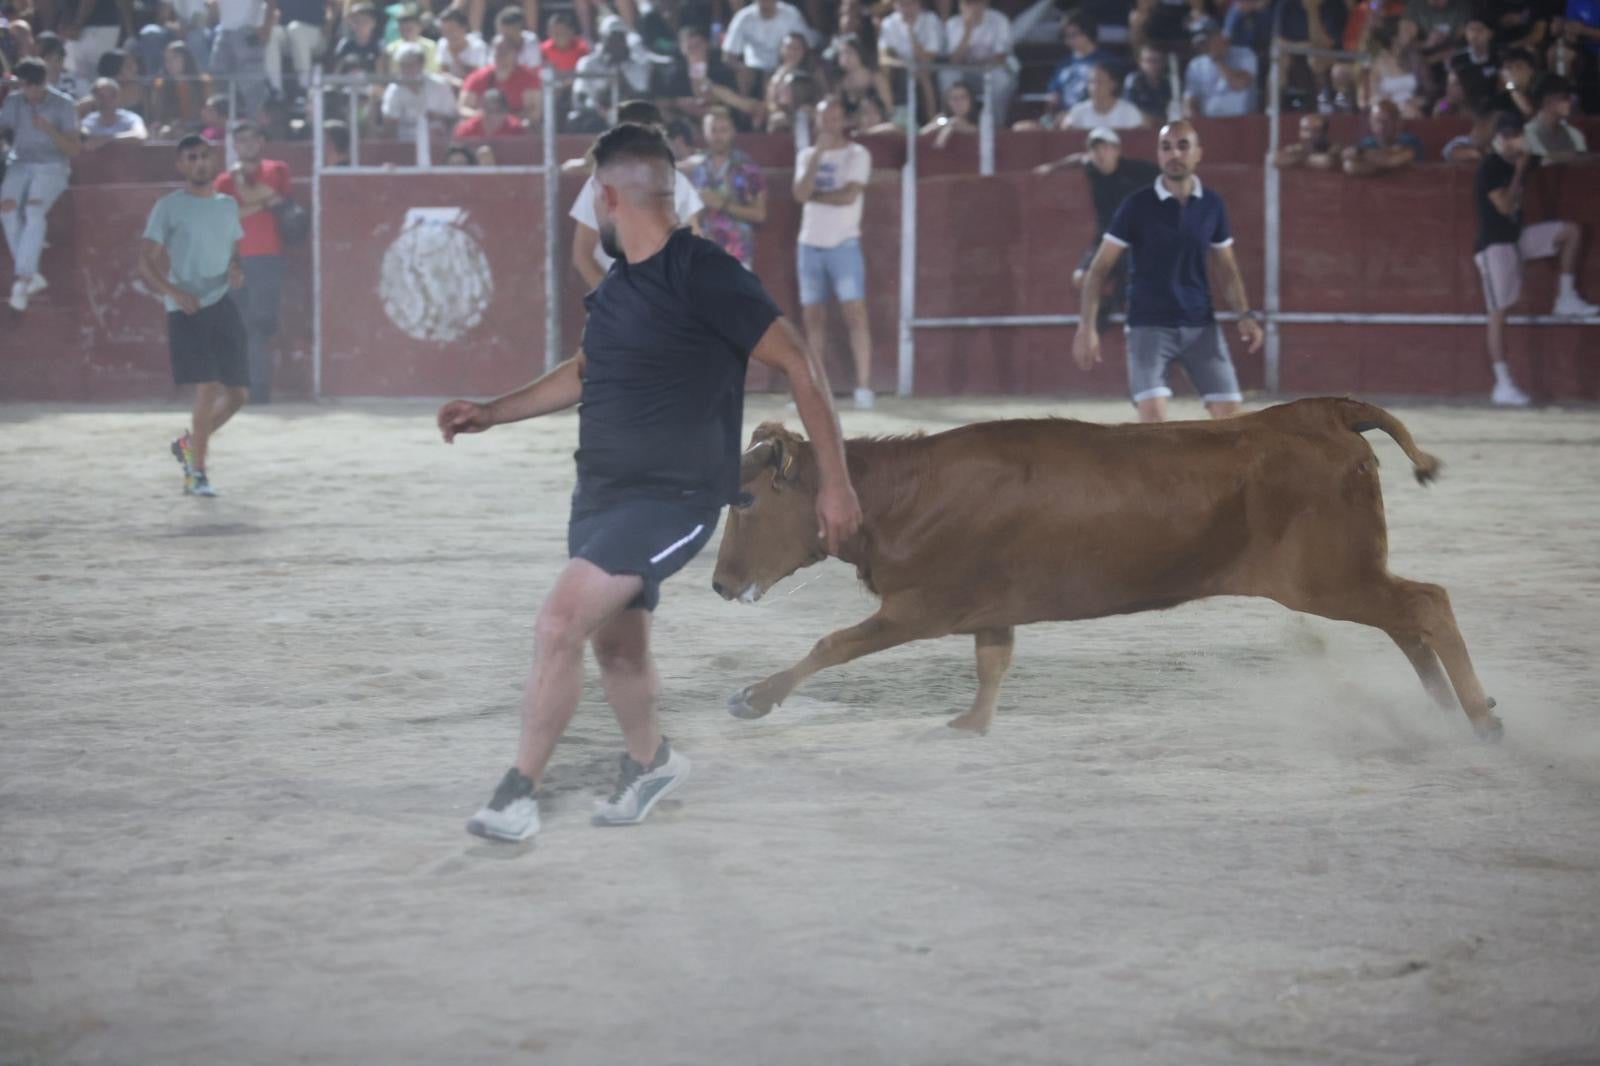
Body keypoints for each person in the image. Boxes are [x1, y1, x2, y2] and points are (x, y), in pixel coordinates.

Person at [438, 122, 862, 843]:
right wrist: (492, 412)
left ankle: (518, 792)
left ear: (606, 196)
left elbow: (800, 363)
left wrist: (837, 485)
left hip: (673, 498)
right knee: (616, 648)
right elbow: (583, 372)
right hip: (599, 492)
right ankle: (650, 762)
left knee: (558, 623)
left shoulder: (706, 273)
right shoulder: (618, 288)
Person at [1073, 120, 1264, 423]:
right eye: (1166, 147)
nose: (1174, 153)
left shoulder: (1212, 204)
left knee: (1232, 422)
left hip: (1200, 325)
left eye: (1182, 146)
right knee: (1153, 429)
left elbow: (1226, 267)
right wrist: (1086, 326)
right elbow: (1098, 270)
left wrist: (1244, 313)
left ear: (1198, 153)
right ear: (1159, 155)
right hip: (1148, 326)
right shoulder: (1136, 205)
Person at [139, 134, 248, 498]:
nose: (200, 162)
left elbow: (233, 251)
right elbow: (146, 262)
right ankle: (196, 473)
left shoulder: (228, 205)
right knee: (208, 387)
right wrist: (174, 292)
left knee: (238, 395)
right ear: (181, 165)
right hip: (188, 309)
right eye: (192, 157)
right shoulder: (169, 207)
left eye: (205, 155)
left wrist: (235, 269)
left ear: (213, 160)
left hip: (221, 304)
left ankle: (188, 445)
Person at [1471, 112, 1599, 406]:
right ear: (1501, 139)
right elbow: (1504, 206)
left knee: (1570, 232)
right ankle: (1502, 383)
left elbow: (1558, 157)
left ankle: (1565, 297)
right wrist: (1520, 170)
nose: (1517, 141)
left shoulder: (1524, 158)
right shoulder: (1492, 165)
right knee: (1499, 313)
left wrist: (1585, 156)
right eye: (1512, 136)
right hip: (1495, 246)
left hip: (1515, 240)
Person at [569, 99, 703, 291]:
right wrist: (614, 300)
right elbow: (582, 255)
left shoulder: (678, 183)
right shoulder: (599, 184)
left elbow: (694, 247)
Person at [794, 95, 875, 408]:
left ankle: (864, 386)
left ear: (843, 120)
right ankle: (815, 389)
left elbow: (848, 196)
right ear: (818, 121)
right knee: (812, 316)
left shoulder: (858, 153)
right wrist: (817, 157)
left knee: (855, 312)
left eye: (834, 117)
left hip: (844, 242)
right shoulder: (807, 156)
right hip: (809, 243)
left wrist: (815, 195)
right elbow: (800, 194)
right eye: (824, 118)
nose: (830, 123)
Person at [1035, 125, 1159, 325]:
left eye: (1105, 148)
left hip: (1133, 243)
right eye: (1095, 149)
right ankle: (1106, 305)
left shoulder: (1137, 170)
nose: (1100, 154)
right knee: (1080, 278)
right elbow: (1077, 158)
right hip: (1104, 240)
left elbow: (1165, 178)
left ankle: (1121, 298)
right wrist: (1052, 167)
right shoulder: (1091, 167)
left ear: (1116, 150)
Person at [214, 120, 288, 404]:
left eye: (252, 139)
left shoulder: (276, 170)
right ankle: (250, 387)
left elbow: (274, 198)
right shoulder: (223, 180)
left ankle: (254, 387)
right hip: (235, 258)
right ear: (234, 145)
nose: (247, 145)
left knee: (259, 323)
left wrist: (244, 190)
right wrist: (259, 205)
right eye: (241, 140)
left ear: (261, 142)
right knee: (242, 325)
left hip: (267, 255)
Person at [1, 57, 80, 313]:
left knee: (33, 211)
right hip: (20, 163)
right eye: (25, 86)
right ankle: (30, 276)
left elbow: (73, 148)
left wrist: (49, 130)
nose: (30, 92)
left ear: (44, 83)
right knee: (7, 209)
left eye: (35, 86)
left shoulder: (63, 104)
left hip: (52, 166)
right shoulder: (14, 102)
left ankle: (23, 279)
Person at [686, 107, 766, 268]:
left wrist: (722, 204)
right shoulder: (694, 167)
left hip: (737, 255)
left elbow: (760, 214)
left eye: (723, 130)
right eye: (713, 130)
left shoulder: (748, 168)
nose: (718, 136)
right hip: (702, 256)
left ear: (733, 132)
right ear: (705, 132)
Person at [382, 42, 459, 140]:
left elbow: (454, 118)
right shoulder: (394, 89)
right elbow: (390, 123)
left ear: (421, 63)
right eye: (403, 65)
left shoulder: (439, 85)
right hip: (406, 143)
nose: (406, 69)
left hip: (437, 142)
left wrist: (437, 116)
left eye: (410, 64)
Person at [1184, 17, 1259, 118]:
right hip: (1210, 124)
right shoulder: (1195, 65)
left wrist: (1218, 60)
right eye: (1202, 42)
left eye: (1208, 39)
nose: (1206, 44)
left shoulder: (1245, 54)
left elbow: (1239, 84)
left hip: (1243, 121)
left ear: (1220, 36)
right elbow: (1191, 100)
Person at [1342, 98, 1422, 175]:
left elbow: (1394, 161)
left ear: (1397, 123)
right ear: (1371, 123)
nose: (1381, 126)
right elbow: (1350, 166)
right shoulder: (1369, 142)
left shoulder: (1409, 140)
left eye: (1385, 122)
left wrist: (1361, 154)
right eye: (1377, 121)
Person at [1523, 74, 1589, 160]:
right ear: (1546, 100)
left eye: (1568, 97)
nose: (1570, 102)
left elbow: (1583, 164)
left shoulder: (1575, 134)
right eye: (1564, 97)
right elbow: (1541, 162)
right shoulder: (1527, 134)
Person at [1063, 61, 1146, 129]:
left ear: (1113, 84)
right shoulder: (1078, 112)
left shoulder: (1129, 111)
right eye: (1092, 82)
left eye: (1099, 82)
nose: (1094, 87)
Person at [79, 75, 149, 147]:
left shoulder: (131, 118)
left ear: (118, 97)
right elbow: (81, 138)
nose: (106, 101)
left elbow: (141, 135)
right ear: (94, 99)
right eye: (101, 96)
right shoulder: (89, 121)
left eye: (112, 96)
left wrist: (107, 139)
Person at [1273, 111, 1342, 168]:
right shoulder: (1296, 149)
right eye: (1305, 130)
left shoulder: (1334, 149)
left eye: (1316, 131)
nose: (1309, 135)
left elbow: (1328, 161)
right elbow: (1275, 159)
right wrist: (1308, 159)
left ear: (1324, 133)